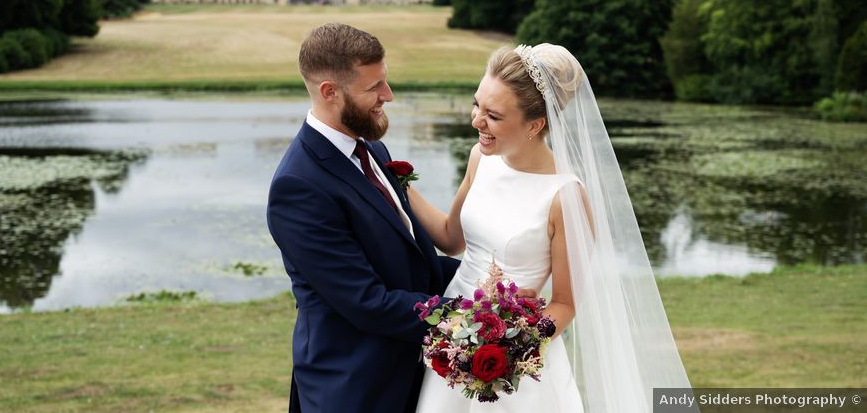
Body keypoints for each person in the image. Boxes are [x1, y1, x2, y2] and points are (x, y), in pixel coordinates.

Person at [412, 44, 693, 412]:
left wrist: (513, 344)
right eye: (476, 104)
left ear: (535, 124)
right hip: (453, 340)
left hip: (514, 362)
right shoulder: (480, 157)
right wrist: (397, 183)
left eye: (493, 115)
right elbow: (450, 239)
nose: (476, 121)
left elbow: (564, 303)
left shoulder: (566, 196)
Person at [266, 23, 460, 413]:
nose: (388, 96)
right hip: (355, 388)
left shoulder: (373, 148)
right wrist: (472, 314)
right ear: (329, 92)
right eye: (374, 88)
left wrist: (493, 278)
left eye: (384, 82)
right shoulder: (299, 186)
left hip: (411, 374)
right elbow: (367, 301)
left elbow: (409, 265)